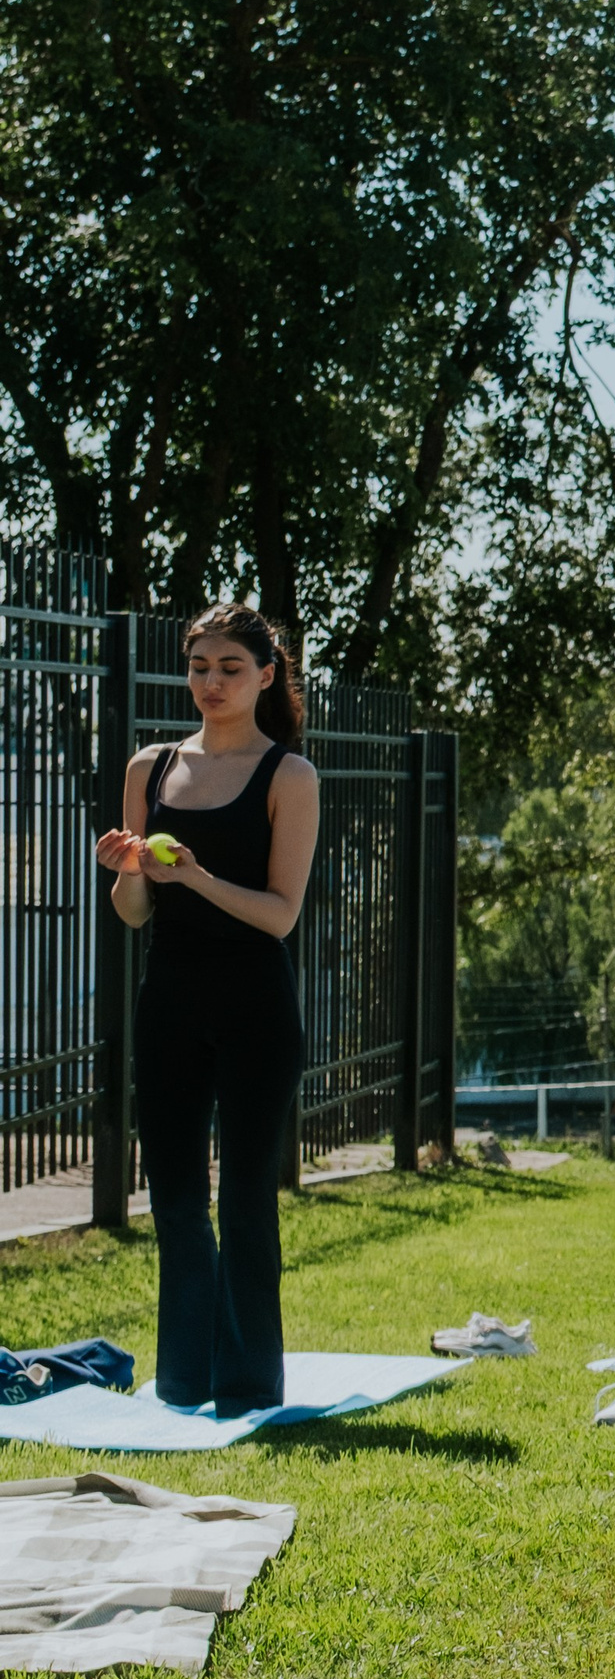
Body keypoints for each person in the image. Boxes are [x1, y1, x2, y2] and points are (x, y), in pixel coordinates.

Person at [92, 607, 318, 1416]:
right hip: (170, 1005)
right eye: (199, 668)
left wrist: (197, 877)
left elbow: (281, 914)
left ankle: (250, 1384)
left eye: (229, 668)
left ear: (265, 675)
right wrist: (128, 871)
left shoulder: (288, 776)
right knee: (178, 1197)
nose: (211, 683)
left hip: (257, 1007)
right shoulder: (149, 769)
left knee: (248, 1195)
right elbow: (134, 914)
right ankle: (184, 1380)